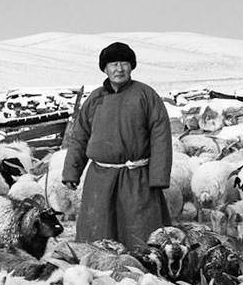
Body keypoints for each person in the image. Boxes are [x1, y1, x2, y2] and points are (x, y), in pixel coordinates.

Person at [59, 41, 173, 250]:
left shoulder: (146, 95)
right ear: (105, 68)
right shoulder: (95, 99)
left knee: (140, 232)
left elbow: (161, 136)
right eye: (113, 64)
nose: (119, 68)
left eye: (124, 63)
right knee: (98, 232)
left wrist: (158, 178)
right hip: (100, 179)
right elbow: (80, 136)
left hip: (137, 178)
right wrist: (71, 172)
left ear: (132, 66)